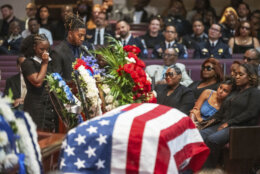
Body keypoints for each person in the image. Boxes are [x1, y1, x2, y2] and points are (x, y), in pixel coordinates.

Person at [200, 63, 260, 168]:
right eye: (236, 74)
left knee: (213, 139)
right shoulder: (235, 92)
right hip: (225, 124)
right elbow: (220, 113)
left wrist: (229, 122)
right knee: (200, 134)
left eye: (240, 74)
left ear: (250, 76)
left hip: (240, 128)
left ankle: (209, 169)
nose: (236, 76)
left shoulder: (255, 93)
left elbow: (251, 113)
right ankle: (199, 167)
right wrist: (206, 122)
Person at [20, 34, 58, 132]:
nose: (45, 52)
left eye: (47, 49)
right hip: (35, 108)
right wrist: (44, 63)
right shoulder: (28, 63)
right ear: (34, 47)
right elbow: (37, 82)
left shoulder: (51, 62)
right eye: (42, 49)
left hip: (50, 106)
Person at [51, 13, 93, 81]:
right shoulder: (58, 52)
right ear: (70, 34)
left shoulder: (83, 49)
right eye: (80, 35)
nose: (82, 39)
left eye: (84, 36)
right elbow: (56, 79)